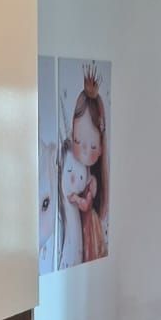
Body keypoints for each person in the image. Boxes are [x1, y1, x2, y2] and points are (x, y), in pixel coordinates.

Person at [70, 66, 109, 263]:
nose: (85, 151)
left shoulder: (92, 181)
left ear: (101, 148)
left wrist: (76, 199)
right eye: (78, 141)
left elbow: (85, 205)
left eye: (93, 146)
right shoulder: (75, 169)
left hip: (89, 227)